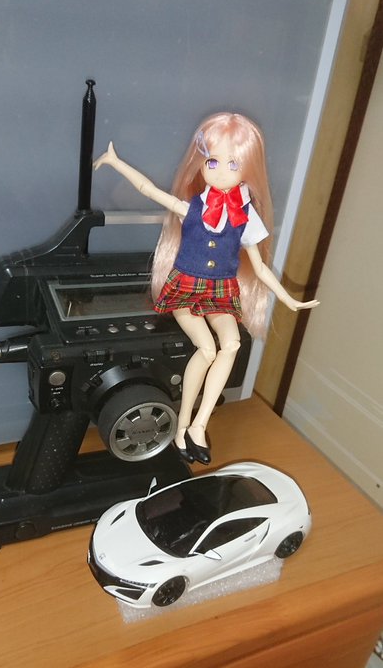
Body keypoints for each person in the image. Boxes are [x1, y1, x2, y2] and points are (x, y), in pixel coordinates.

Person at [94, 112, 319, 465]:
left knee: (231, 344)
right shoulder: (194, 207)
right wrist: (115, 162)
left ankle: (198, 425)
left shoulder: (246, 216)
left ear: (247, 169)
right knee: (207, 348)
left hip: (220, 292)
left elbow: (259, 266)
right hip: (186, 286)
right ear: (201, 163)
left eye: (233, 163)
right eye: (213, 161)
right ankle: (182, 425)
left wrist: (287, 297)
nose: (221, 171)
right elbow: (149, 191)